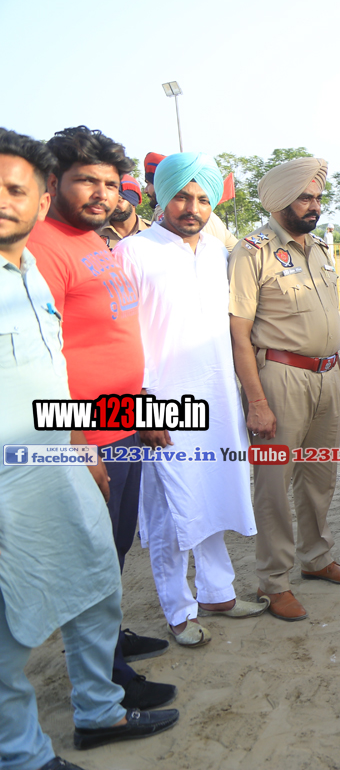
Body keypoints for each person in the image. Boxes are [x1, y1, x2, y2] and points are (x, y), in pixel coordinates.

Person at [0, 127, 178, 770]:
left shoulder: (87, 243)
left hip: (117, 423)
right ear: (54, 185)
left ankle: (108, 674)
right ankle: (101, 689)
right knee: (81, 566)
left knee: (109, 555)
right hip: (72, 442)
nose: (102, 194)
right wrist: (81, 440)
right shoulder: (43, 247)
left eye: (109, 183)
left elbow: (92, 341)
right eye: (87, 181)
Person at [114, 152, 267, 647]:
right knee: (169, 511)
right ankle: (179, 610)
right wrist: (141, 408)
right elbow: (122, 339)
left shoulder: (218, 254)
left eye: (203, 198)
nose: (192, 207)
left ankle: (218, 593)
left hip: (217, 398)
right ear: (161, 196)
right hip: (162, 404)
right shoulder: (133, 253)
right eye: (182, 196)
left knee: (212, 494)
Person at [229, 157, 340, 622]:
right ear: (280, 201)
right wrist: (257, 401)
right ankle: (274, 581)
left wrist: (339, 379)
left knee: (319, 476)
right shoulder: (253, 251)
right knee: (274, 483)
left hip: (328, 375)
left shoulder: (321, 248)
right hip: (280, 378)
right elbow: (239, 333)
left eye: (318, 198)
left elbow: (327, 323)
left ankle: (317, 557)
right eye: (305, 198)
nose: (315, 206)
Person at [143, 149, 237, 252]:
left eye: (148, 183)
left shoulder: (217, 249)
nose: (193, 209)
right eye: (182, 198)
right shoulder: (213, 219)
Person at [98, 175, 149, 248]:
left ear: (133, 202)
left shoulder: (152, 231)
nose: (113, 205)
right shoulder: (93, 232)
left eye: (119, 200)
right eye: (109, 200)